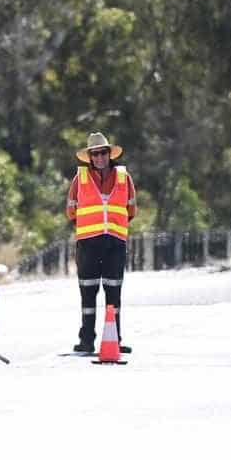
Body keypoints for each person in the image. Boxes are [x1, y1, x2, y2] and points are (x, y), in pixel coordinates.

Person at [66, 132, 136, 354]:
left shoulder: (125, 178)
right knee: (88, 294)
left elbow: (131, 209)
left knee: (113, 294)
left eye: (103, 153)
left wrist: (112, 226)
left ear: (109, 154)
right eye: (94, 154)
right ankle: (86, 341)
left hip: (115, 244)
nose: (99, 158)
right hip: (88, 244)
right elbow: (71, 211)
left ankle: (114, 340)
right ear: (89, 157)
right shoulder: (80, 179)